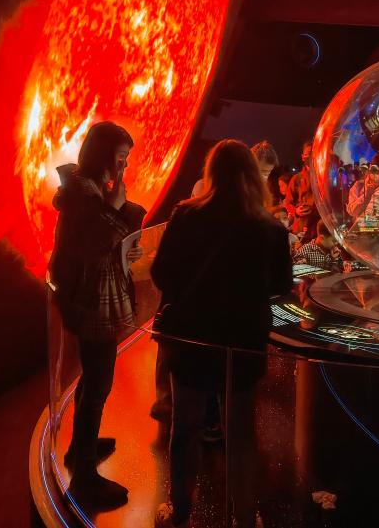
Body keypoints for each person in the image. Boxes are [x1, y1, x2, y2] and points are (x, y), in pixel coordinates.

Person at [151, 140, 293, 527]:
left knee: (186, 427)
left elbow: (161, 273)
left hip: (191, 338)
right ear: (252, 175)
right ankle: (244, 516)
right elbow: (281, 285)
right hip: (243, 341)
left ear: (211, 173)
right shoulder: (269, 227)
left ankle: (180, 511)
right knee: (241, 434)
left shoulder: (186, 215)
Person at [48, 121, 147, 508]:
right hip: (91, 303)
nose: (124, 166)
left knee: (93, 378)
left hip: (90, 297)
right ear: (104, 155)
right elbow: (98, 238)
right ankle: (84, 477)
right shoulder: (84, 197)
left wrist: (125, 244)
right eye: (120, 158)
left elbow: (106, 239)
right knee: (98, 382)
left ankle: (80, 447)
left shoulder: (85, 191)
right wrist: (120, 209)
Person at [284, 141, 317, 238]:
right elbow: (288, 202)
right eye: (308, 153)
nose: (310, 156)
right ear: (303, 157)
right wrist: (296, 211)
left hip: (318, 226)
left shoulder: (323, 178)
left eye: (313, 153)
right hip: (301, 227)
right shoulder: (296, 179)